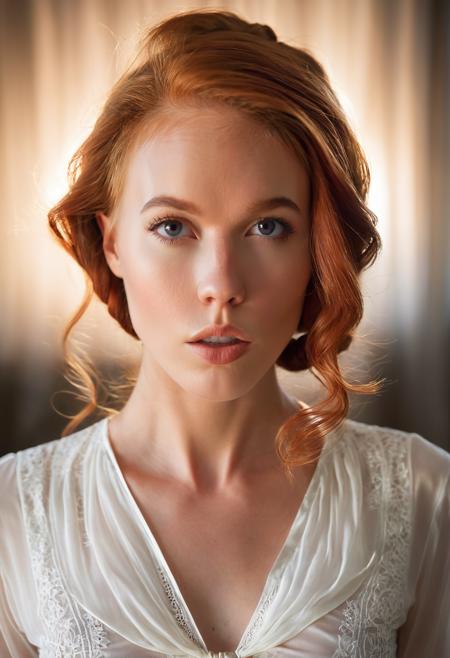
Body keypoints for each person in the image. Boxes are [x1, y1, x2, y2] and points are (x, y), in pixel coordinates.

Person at [0, 8, 448, 657]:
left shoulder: (426, 499)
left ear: (316, 253)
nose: (221, 285)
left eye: (267, 227)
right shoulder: (14, 515)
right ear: (113, 240)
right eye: (173, 227)